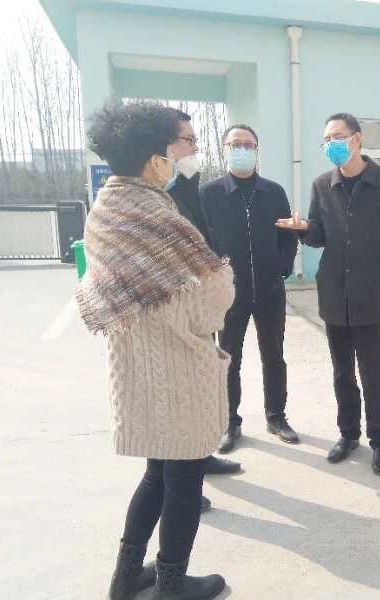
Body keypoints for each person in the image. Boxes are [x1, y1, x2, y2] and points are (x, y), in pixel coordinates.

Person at [79, 100, 233, 600]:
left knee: (156, 474)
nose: (183, 156)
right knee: (184, 478)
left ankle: (125, 578)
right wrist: (221, 279)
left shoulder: (105, 210)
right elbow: (211, 304)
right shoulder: (159, 217)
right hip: (176, 368)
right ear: (154, 159)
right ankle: (171, 583)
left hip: (135, 368)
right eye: (178, 145)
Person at [276, 112, 380, 475]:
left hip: (371, 295)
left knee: (373, 374)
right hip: (334, 293)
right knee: (342, 373)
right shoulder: (323, 185)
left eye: (337, 136)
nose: (331, 144)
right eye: (326, 140)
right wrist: (303, 228)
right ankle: (348, 435)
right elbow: (320, 236)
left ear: (357, 138)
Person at [200, 124, 300, 452]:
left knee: (274, 356)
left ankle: (277, 417)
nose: (241, 149)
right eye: (235, 144)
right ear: (224, 149)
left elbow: (288, 235)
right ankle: (230, 422)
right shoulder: (209, 194)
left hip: (270, 290)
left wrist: (282, 266)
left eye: (248, 144)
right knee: (229, 358)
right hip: (229, 294)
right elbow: (200, 241)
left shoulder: (274, 192)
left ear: (256, 150)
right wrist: (215, 275)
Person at [165, 110, 241, 508]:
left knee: (199, 392)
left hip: (198, 307)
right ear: (164, 146)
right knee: (177, 402)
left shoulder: (188, 184)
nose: (196, 147)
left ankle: (201, 458)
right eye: (189, 140)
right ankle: (181, 490)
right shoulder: (157, 195)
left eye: (196, 140)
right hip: (172, 314)